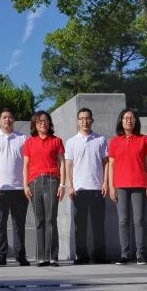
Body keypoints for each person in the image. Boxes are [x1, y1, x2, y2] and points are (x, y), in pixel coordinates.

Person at [108, 107, 147, 265]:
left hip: (139, 184)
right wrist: (111, 186)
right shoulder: (114, 141)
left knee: (139, 220)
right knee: (123, 221)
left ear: (136, 121)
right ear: (121, 121)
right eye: (126, 118)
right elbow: (111, 166)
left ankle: (140, 253)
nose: (129, 120)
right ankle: (125, 254)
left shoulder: (144, 139)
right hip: (120, 185)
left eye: (132, 117)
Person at [65, 107, 108, 264]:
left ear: (92, 120)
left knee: (98, 226)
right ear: (77, 121)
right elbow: (68, 165)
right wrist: (69, 185)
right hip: (79, 190)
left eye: (87, 118)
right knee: (80, 226)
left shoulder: (100, 140)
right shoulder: (71, 142)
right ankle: (81, 256)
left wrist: (106, 183)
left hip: (97, 188)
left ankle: (100, 256)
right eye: (81, 118)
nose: (85, 121)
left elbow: (106, 163)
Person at [22, 110, 65, 267]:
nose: (43, 123)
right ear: (34, 124)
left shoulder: (57, 141)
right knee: (39, 220)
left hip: (52, 180)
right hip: (34, 182)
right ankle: (41, 257)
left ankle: (53, 256)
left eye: (45, 120)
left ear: (50, 123)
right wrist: (25, 184)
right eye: (39, 121)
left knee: (51, 219)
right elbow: (26, 165)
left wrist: (62, 184)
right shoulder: (29, 142)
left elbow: (62, 163)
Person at [0, 107, 29, 267]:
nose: (7, 119)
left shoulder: (24, 139)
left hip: (20, 189)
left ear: (14, 120)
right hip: (0, 189)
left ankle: (20, 255)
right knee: (0, 224)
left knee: (19, 224)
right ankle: (0, 255)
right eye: (4, 117)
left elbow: (29, 163)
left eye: (10, 117)